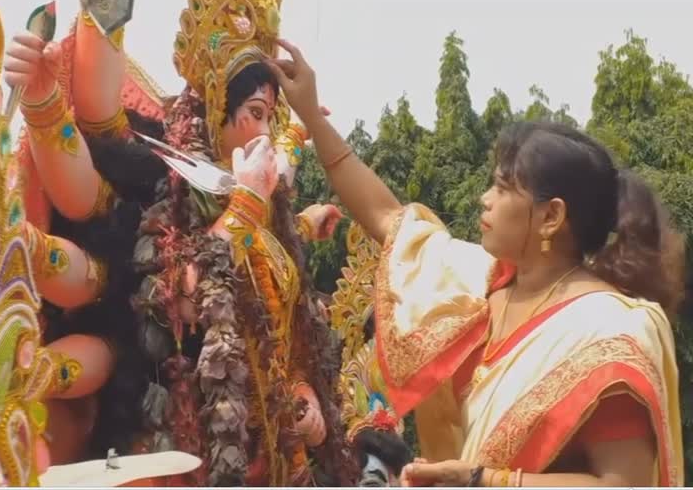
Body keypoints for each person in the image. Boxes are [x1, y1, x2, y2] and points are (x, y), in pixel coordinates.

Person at [266, 39, 685, 486]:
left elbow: (625, 484)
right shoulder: (479, 284)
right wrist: (310, 115)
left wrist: (487, 479)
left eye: (504, 189)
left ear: (551, 216)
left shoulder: (608, 330)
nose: (484, 200)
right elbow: (387, 217)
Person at [3, 0, 354, 486]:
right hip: (181, 453)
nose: (263, 134)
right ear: (216, 109)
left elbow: (286, 337)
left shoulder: (267, 216)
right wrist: (248, 205)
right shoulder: (169, 185)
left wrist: (304, 397)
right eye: (255, 114)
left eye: (270, 120)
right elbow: (179, 302)